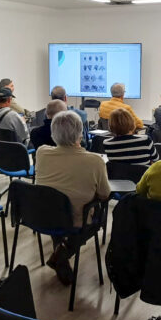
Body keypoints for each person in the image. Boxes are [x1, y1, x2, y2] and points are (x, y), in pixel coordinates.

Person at [35, 111, 111, 285]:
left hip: (41, 215)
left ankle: (59, 250)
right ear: (80, 133)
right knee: (98, 217)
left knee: (57, 208)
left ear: (54, 132)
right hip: (75, 220)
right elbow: (105, 194)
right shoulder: (95, 161)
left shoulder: (41, 152)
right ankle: (63, 253)